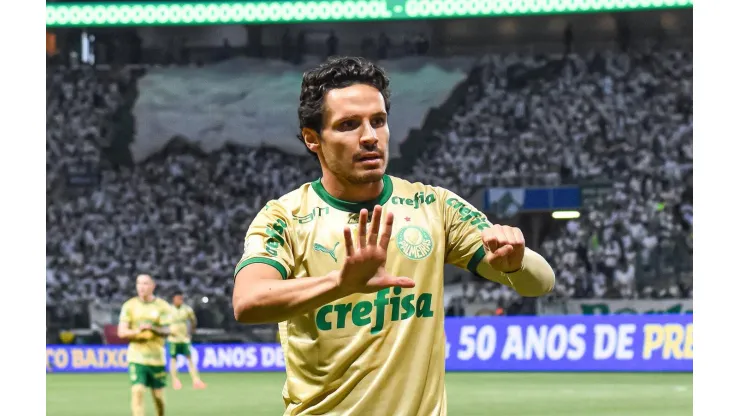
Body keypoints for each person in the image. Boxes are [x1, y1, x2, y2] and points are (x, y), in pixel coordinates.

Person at [232, 56, 556, 416]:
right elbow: (248, 301)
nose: (370, 137)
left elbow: (540, 283)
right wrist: (340, 283)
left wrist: (516, 263)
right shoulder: (286, 217)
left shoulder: (434, 206)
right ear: (313, 139)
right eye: (349, 125)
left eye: (379, 121)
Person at [118, 274, 172, 416]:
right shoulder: (129, 306)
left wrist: (153, 329)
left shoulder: (163, 306)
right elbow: (121, 332)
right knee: (138, 391)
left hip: (156, 358)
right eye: (139, 283)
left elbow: (168, 330)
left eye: (145, 283)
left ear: (153, 286)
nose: (141, 287)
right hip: (137, 357)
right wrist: (138, 331)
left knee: (158, 398)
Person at [167, 292, 206, 390]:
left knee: (189, 359)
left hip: (184, 338)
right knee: (173, 359)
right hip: (173, 339)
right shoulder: (168, 310)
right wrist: (167, 331)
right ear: (174, 299)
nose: (180, 300)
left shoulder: (187, 309)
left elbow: (193, 320)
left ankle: (196, 380)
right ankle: (175, 381)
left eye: (181, 298)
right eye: (178, 298)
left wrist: (191, 331)